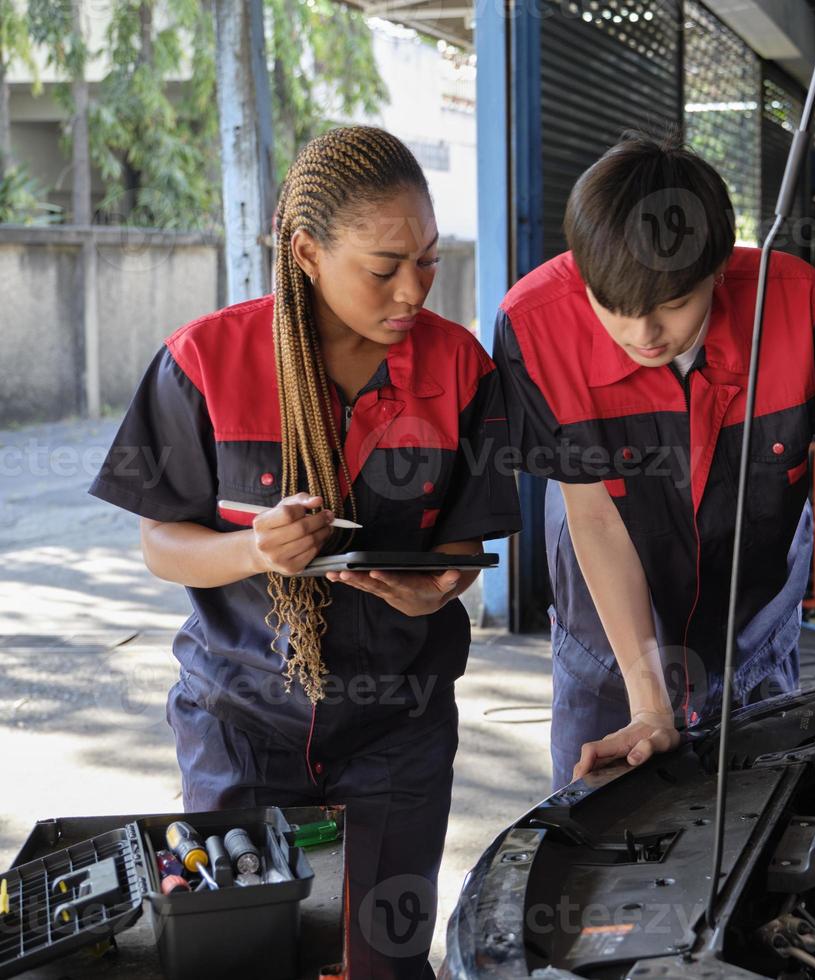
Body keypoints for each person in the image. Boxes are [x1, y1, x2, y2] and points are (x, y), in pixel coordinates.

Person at [89, 126, 520, 979]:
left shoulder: (460, 367)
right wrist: (254, 549)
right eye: (385, 265)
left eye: (428, 261)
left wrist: (443, 583)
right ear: (308, 252)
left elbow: (466, 537)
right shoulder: (204, 361)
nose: (413, 290)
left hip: (399, 719)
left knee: (383, 955)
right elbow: (162, 547)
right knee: (244, 946)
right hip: (240, 719)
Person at [494, 131, 815, 789]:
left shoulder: (795, 304)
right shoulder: (534, 325)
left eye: (672, 305)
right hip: (608, 636)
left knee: (762, 820)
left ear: (716, 267)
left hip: (754, 626)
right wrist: (649, 705)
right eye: (613, 308)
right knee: (601, 830)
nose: (641, 335)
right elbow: (593, 513)